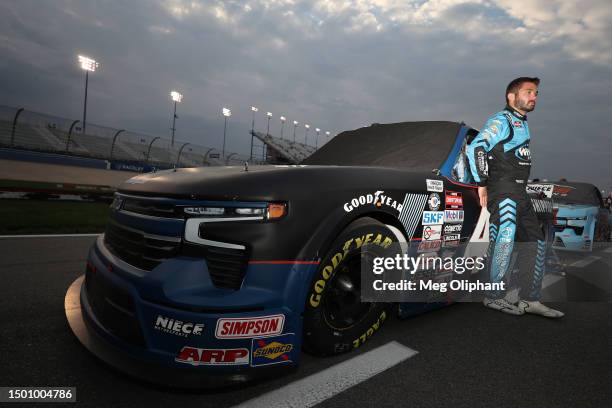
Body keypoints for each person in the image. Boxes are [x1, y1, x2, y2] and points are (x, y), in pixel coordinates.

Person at [466, 77, 564, 318]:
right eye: (529, 92)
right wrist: (482, 183)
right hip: (503, 189)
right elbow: (476, 147)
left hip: (521, 192)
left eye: (537, 93)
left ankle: (529, 299)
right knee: (505, 239)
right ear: (511, 96)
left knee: (536, 242)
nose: (534, 97)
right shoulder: (502, 120)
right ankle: (493, 296)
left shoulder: (522, 122)